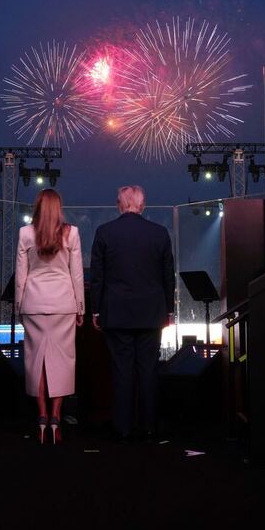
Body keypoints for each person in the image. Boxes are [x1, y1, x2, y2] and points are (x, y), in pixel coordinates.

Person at [88, 185, 175, 443]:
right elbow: (167, 276)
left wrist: (96, 309)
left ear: (119, 204)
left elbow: (97, 277)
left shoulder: (104, 232)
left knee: (121, 370)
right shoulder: (160, 234)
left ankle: (122, 426)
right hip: (151, 313)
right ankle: (149, 426)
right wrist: (169, 310)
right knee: (148, 370)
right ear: (142, 205)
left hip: (116, 313)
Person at [14, 189, 84, 445]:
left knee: (37, 363)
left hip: (33, 304)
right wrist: (80, 307)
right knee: (62, 363)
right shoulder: (72, 233)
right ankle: (56, 419)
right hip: (63, 305)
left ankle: (41, 419)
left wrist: (19, 307)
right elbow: (76, 274)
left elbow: (21, 275)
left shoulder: (25, 233)